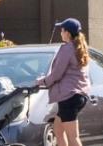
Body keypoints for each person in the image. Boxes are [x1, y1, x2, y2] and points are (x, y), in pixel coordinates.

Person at [37, 17, 92, 146]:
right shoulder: (80, 48)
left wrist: (42, 82)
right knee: (58, 130)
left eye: (62, 30)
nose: (60, 33)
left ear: (67, 33)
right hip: (78, 95)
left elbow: (56, 74)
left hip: (69, 97)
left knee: (73, 137)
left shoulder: (67, 49)